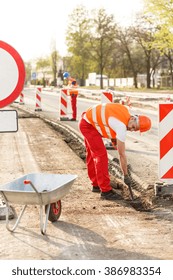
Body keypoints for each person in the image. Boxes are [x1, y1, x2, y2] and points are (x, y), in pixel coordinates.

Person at [79, 103, 151, 201]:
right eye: (133, 127)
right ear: (133, 118)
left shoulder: (125, 112)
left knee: (93, 154)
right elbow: (121, 154)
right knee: (101, 155)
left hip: (88, 120)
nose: (131, 130)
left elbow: (110, 122)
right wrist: (125, 175)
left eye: (135, 130)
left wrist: (114, 141)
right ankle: (106, 191)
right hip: (88, 126)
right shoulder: (121, 126)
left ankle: (96, 184)